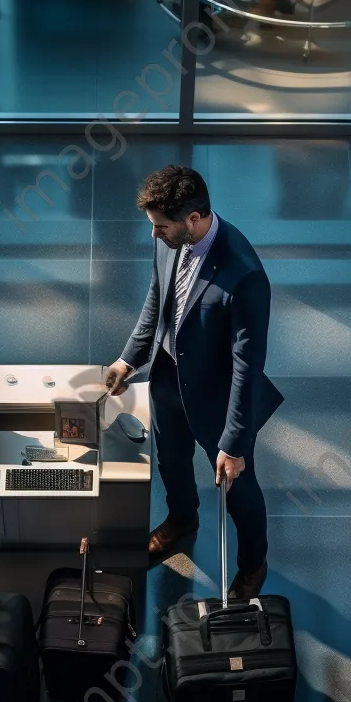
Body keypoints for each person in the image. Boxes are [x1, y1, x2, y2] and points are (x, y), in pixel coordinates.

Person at [105, 166, 283, 601]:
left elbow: (247, 365)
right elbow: (157, 297)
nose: (154, 235)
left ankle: (253, 566)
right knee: (171, 461)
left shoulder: (245, 275)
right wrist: (129, 358)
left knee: (240, 493)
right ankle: (182, 520)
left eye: (161, 227)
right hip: (168, 377)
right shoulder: (170, 240)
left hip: (218, 401)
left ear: (194, 219)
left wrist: (235, 443)